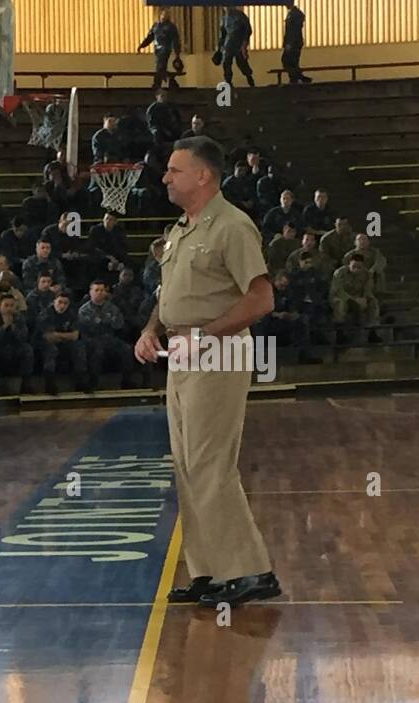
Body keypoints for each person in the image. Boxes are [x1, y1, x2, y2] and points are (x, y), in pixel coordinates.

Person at [134, 135, 279, 607]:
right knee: (188, 465)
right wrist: (151, 329)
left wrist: (206, 336)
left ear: (203, 176)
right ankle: (210, 572)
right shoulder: (181, 228)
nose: (165, 177)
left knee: (210, 462)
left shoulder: (232, 227)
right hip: (183, 353)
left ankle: (250, 570)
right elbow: (169, 293)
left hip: (218, 351)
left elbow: (261, 298)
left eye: (174, 170)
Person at [139, 7, 183, 91]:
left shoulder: (171, 27)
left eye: (166, 15)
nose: (164, 16)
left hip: (165, 49)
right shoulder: (156, 26)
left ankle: (157, 83)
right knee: (160, 66)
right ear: (160, 15)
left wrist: (177, 54)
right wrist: (142, 45)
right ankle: (169, 80)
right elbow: (150, 37)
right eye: (163, 14)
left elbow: (176, 40)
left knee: (160, 64)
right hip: (157, 50)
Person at [281, 1, 312, 85]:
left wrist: (290, 43)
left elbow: (294, 31)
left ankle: (296, 79)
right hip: (293, 42)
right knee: (291, 62)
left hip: (294, 43)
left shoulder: (295, 14)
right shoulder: (292, 14)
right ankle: (298, 78)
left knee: (288, 60)